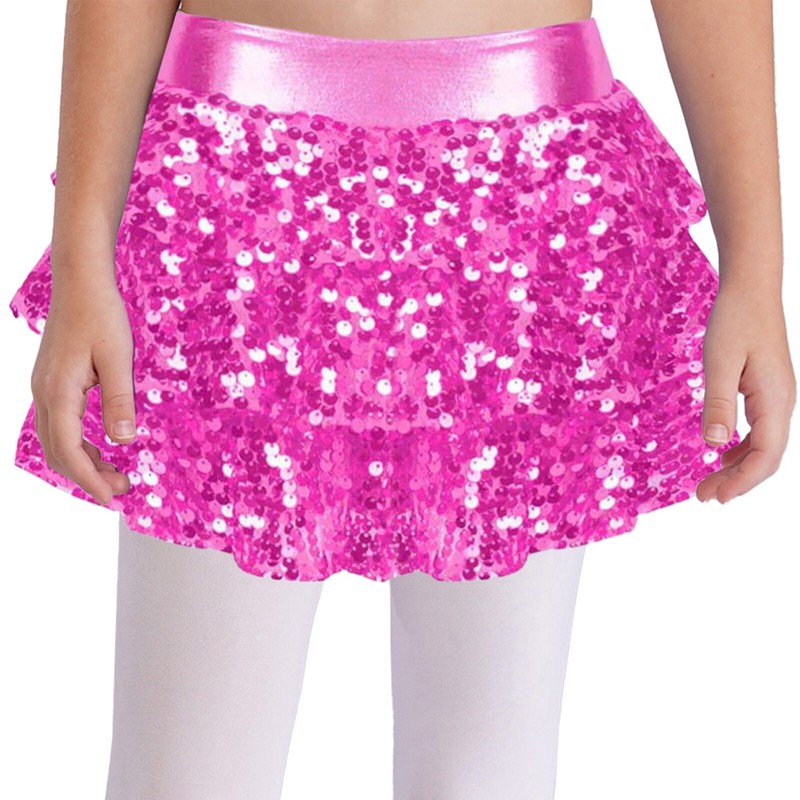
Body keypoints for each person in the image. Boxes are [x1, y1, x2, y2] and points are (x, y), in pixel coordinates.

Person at [7, 1, 795, 798]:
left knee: (488, 773)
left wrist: (757, 271)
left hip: (525, 214)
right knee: (188, 773)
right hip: (236, 206)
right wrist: (81, 254)